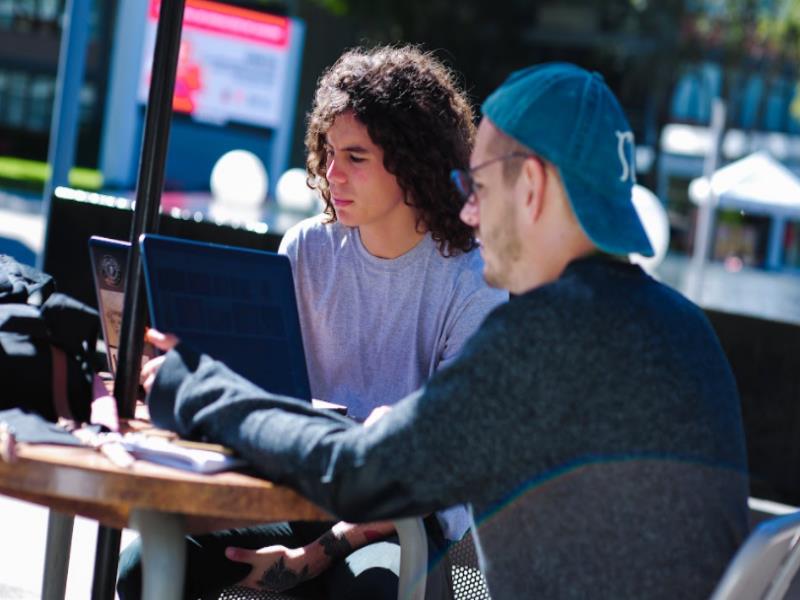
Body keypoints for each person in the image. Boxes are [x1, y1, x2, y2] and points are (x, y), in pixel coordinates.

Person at [144, 63, 750, 599]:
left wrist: (199, 390)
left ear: (532, 188)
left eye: (479, 187)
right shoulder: (681, 327)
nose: (467, 211)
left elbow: (362, 474)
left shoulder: (547, 336)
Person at [117, 46, 506, 600]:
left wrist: (310, 559)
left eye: (355, 156)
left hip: (410, 527)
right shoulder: (306, 249)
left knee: (360, 590)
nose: (330, 173)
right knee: (144, 567)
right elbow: (270, 399)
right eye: (326, 152)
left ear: (412, 161)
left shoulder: (474, 279)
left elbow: (434, 469)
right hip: (301, 496)